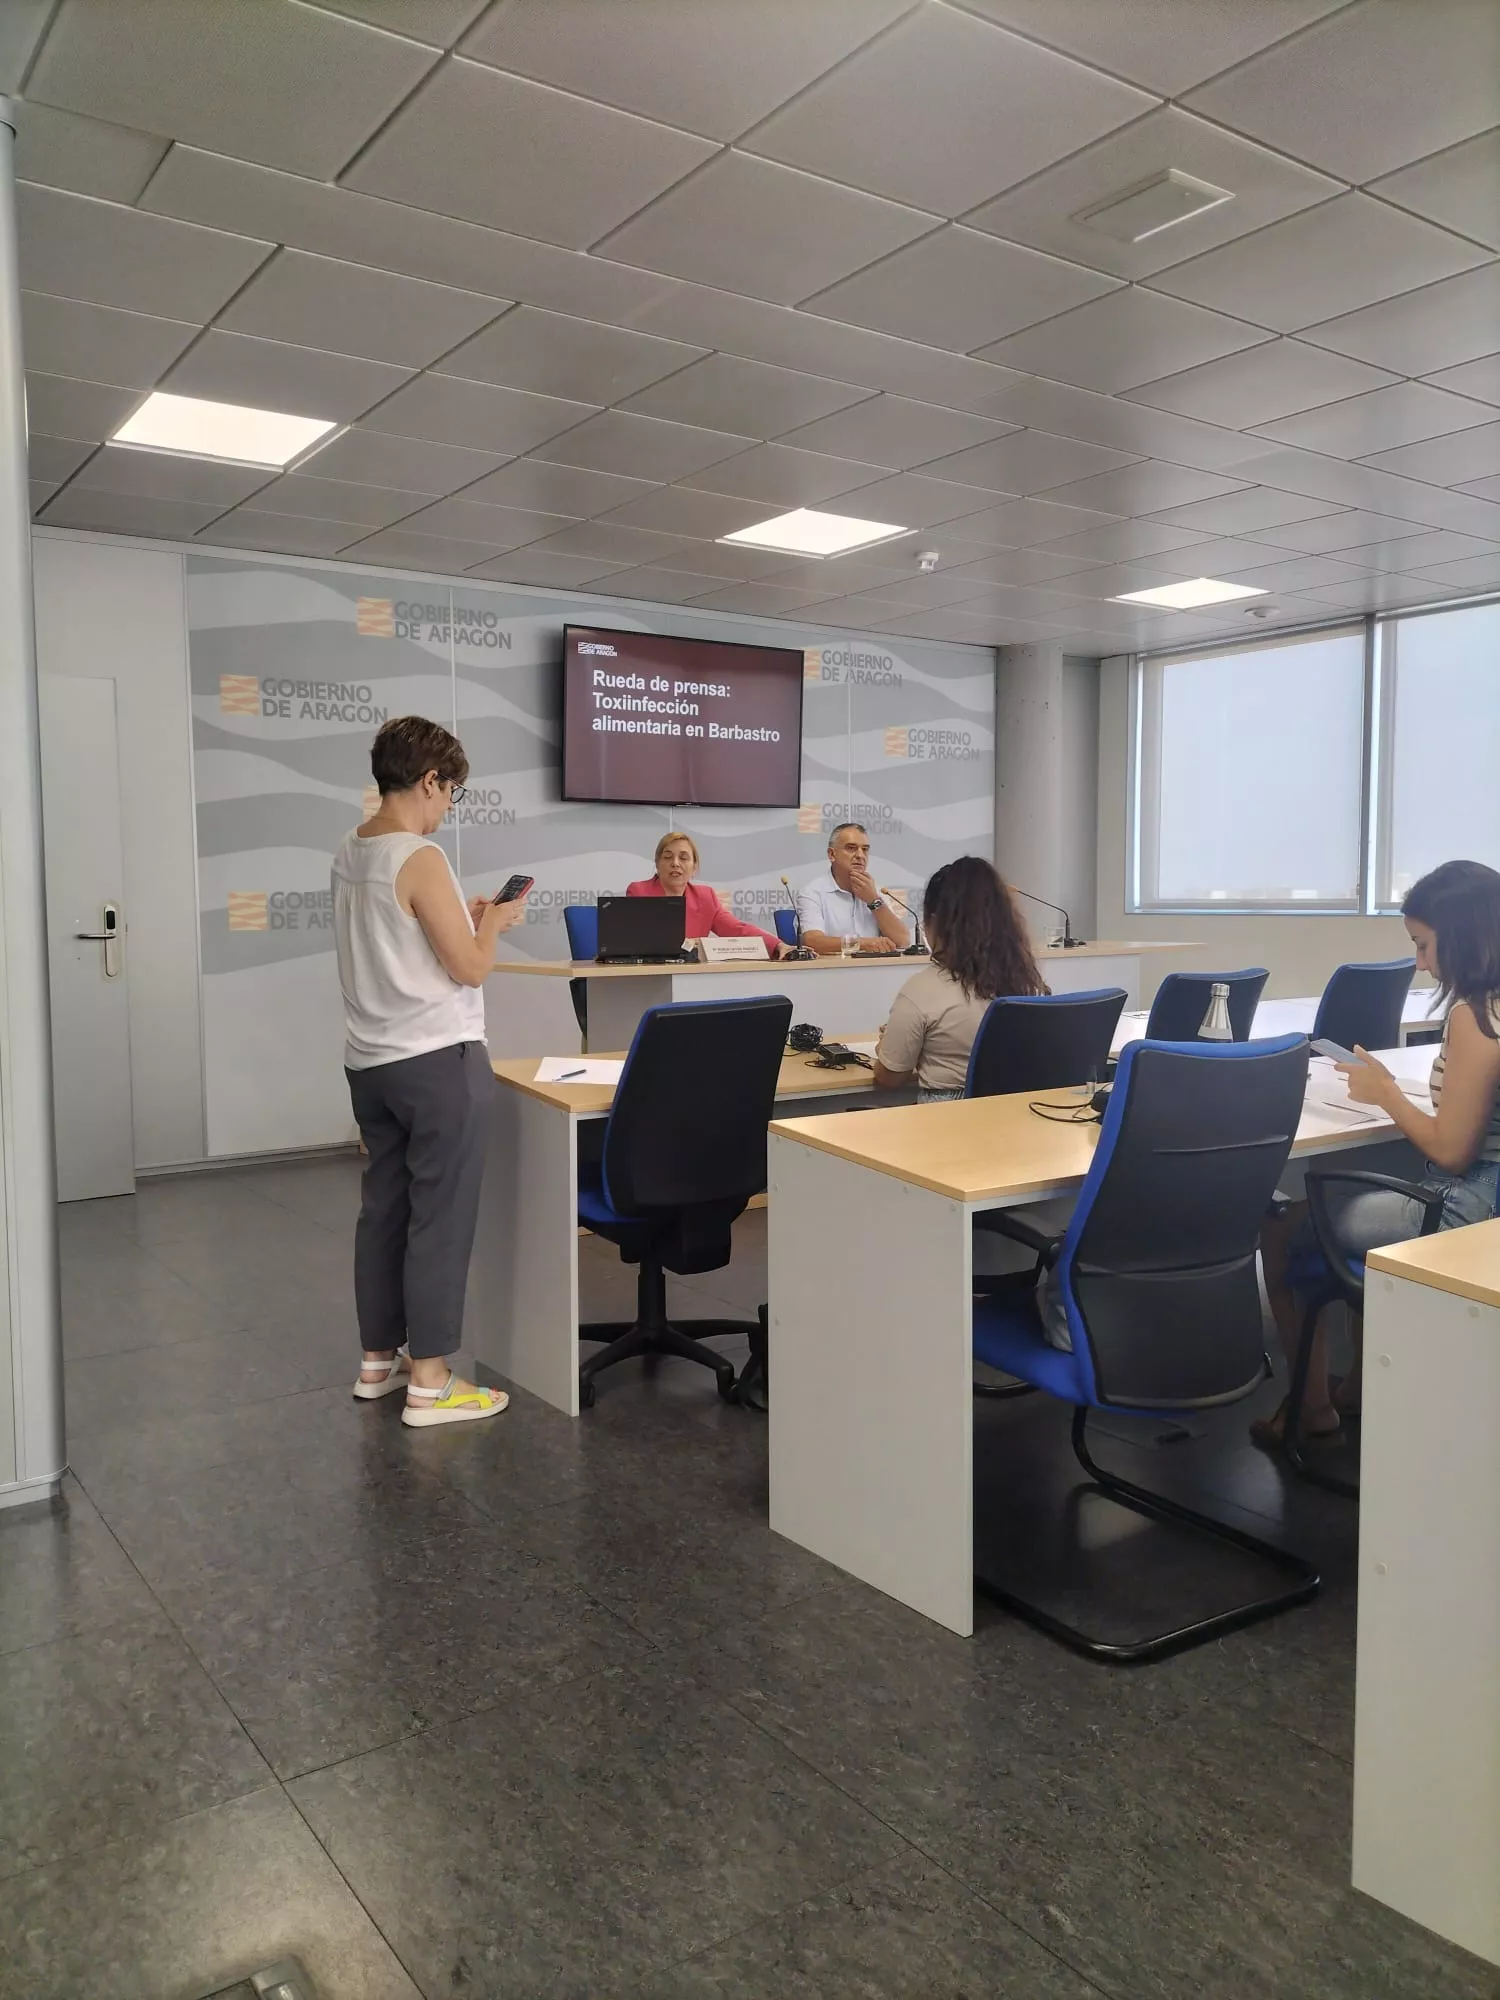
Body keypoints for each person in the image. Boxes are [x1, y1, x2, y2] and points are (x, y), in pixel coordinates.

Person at [1255, 858, 1500, 1447]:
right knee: (1352, 1205)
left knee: (1283, 1229)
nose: (1420, 963)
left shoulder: (1477, 1017)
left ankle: (1310, 1407)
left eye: (1424, 945)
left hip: (1470, 1208)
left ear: (1463, 936)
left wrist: (1386, 1093)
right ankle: (1359, 1388)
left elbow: (1452, 1152)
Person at [332, 715, 527, 1429]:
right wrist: (492, 926)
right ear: (430, 780)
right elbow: (470, 967)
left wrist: (466, 919)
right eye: (451, 791)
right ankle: (433, 1381)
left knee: (385, 1211)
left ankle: (377, 1364)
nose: (449, 805)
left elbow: (402, 938)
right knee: (440, 1219)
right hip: (438, 1061)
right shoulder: (420, 855)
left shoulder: (351, 848)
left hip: (370, 1064)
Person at [874, 857, 1047, 1100]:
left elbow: (890, 1077)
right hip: (1017, 1113)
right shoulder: (1031, 987)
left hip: (947, 1116)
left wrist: (885, 1047)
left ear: (935, 922)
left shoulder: (921, 991)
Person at [626, 830, 789, 956]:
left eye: (683, 858)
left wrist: (777, 945)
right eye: (668, 857)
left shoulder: (705, 897)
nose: (675, 863)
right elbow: (637, 940)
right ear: (657, 864)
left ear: (694, 867)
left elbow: (737, 929)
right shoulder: (639, 891)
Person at [796, 822, 910, 956]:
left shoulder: (876, 892)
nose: (860, 855)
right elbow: (812, 941)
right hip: (831, 968)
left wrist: (874, 901)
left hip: (874, 967)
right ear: (832, 854)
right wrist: (862, 944)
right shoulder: (812, 893)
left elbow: (903, 941)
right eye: (851, 848)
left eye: (865, 849)